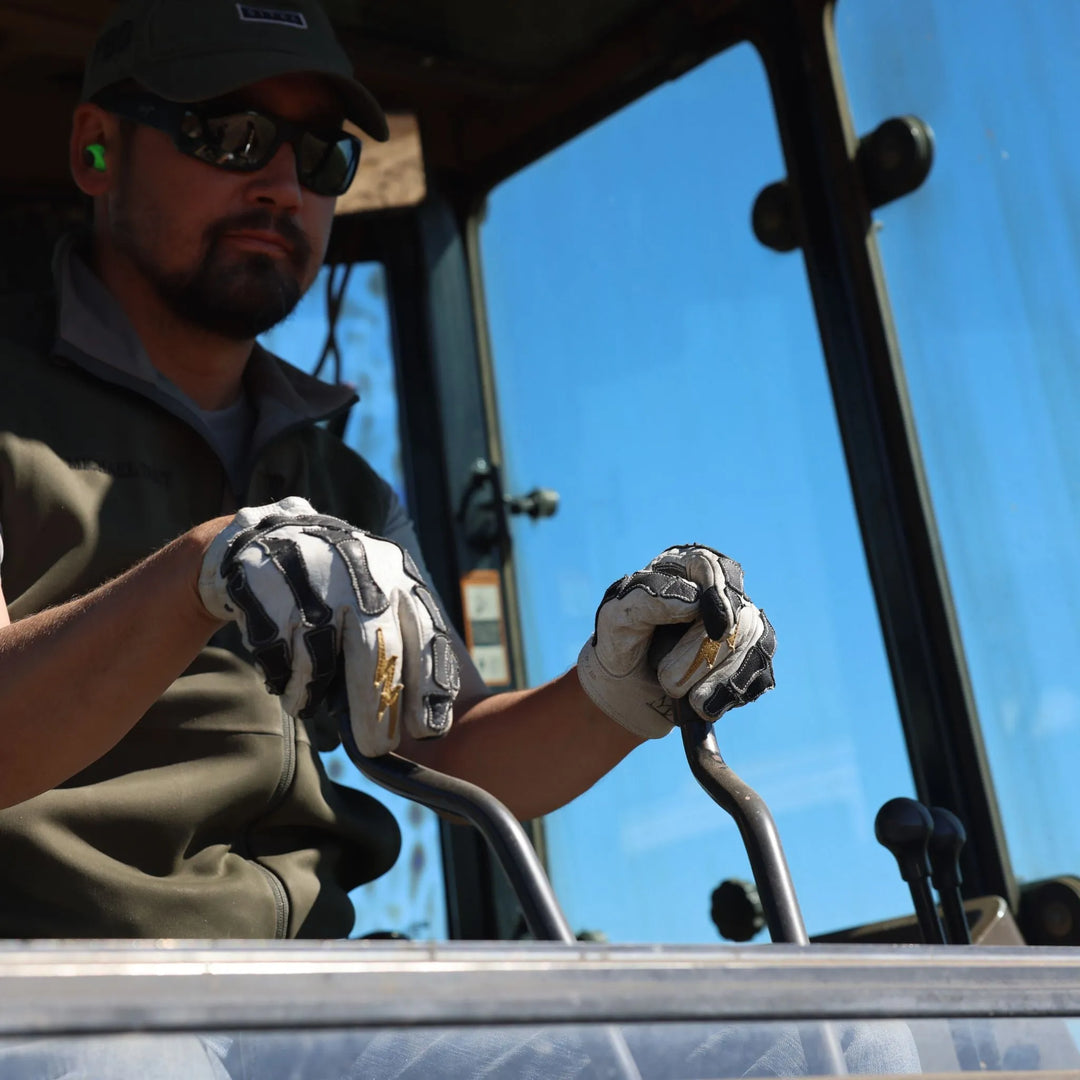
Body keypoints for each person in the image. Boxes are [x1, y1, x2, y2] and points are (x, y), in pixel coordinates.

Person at [0, 0, 776, 942]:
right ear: (97, 150)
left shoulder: (341, 484)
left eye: (320, 155)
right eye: (234, 135)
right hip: (57, 990)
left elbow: (447, 745)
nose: (284, 187)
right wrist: (203, 570)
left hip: (315, 983)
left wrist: (620, 687)